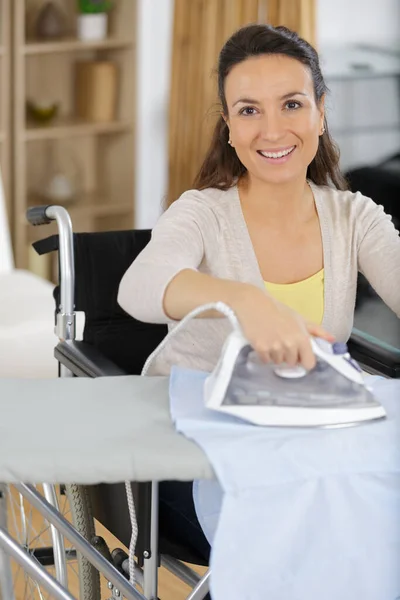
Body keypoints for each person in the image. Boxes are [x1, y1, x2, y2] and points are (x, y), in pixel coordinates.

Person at [118, 22, 400, 566]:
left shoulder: (353, 217)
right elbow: (138, 288)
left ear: (320, 110)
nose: (273, 130)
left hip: (310, 439)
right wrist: (247, 302)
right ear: (228, 126)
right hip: (199, 454)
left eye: (292, 104)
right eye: (249, 110)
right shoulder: (201, 213)